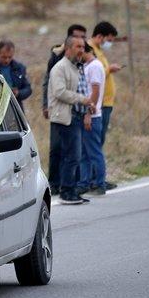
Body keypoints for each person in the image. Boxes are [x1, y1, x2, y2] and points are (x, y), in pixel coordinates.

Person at [47, 35, 95, 205]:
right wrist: (82, 99)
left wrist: (87, 107)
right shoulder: (60, 68)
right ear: (68, 49)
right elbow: (59, 92)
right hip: (64, 118)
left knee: (75, 155)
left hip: (76, 117)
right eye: (78, 46)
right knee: (71, 155)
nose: (81, 50)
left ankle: (72, 189)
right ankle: (66, 192)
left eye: (83, 47)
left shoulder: (76, 67)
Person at [42, 23, 86, 190]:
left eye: (83, 37)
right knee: (57, 148)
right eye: (77, 38)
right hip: (60, 109)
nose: (81, 42)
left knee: (74, 152)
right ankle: (55, 184)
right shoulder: (57, 58)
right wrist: (46, 105)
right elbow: (50, 84)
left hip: (76, 111)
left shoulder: (83, 55)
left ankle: (73, 184)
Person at [88, 21, 123, 159]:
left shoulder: (99, 51)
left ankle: (97, 175)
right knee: (96, 140)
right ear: (100, 36)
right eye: (109, 40)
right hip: (99, 102)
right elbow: (95, 74)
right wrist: (109, 69)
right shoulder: (90, 50)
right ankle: (94, 176)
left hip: (106, 101)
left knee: (100, 139)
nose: (109, 43)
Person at [78, 40, 108, 196]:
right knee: (84, 153)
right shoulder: (88, 66)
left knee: (94, 152)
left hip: (93, 116)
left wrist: (89, 113)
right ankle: (85, 182)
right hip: (87, 115)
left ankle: (99, 183)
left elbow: (94, 91)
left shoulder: (94, 67)